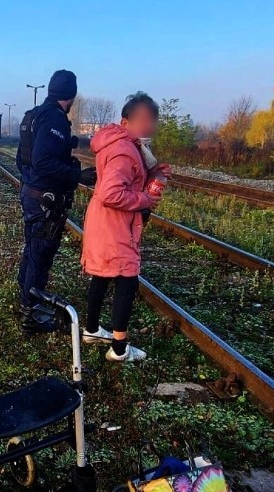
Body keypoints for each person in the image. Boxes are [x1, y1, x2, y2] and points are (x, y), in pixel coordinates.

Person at [80, 92, 169, 362]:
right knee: (127, 280)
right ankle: (119, 349)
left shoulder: (125, 144)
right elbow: (110, 193)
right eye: (142, 120)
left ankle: (92, 329)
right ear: (125, 121)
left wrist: (152, 174)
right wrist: (145, 199)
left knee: (103, 274)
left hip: (107, 222)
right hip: (115, 226)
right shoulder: (124, 150)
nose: (148, 126)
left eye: (152, 120)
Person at [15, 69, 96, 333]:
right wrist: (77, 176)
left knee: (32, 250)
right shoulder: (55, 119)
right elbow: (43, 160)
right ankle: (31, 317)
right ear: (70, 95)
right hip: (43, 201)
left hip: (31, 194)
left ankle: (24, 297)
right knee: (40, 256)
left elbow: (24, 159)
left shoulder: (34, 115)